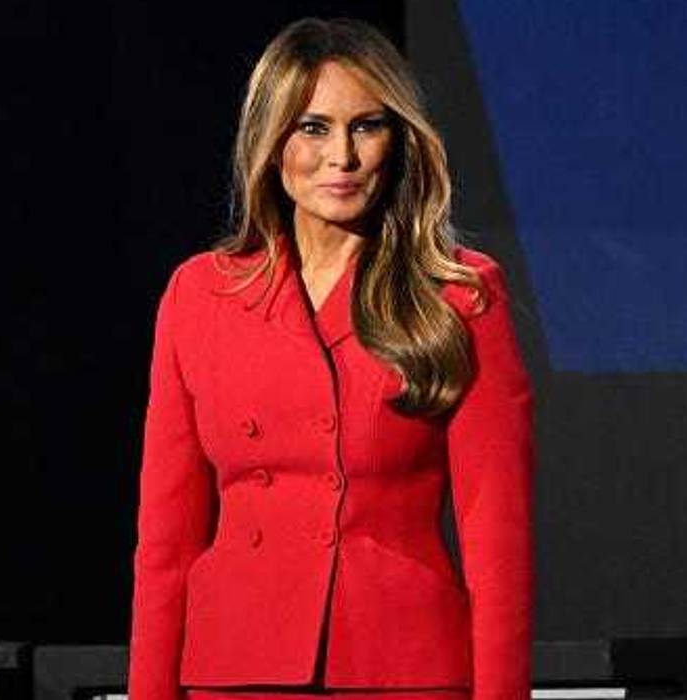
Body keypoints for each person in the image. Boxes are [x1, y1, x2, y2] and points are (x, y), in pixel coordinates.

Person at [127, 16, 535, 700]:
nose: (340, 156)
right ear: (270, 140)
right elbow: (165, 544)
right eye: (312, 128)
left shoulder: (459, 294)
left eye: (366, 126)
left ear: (398, 140)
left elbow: (497, 538)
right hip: (235, 668)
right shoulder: (200, 295)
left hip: (399, 667)